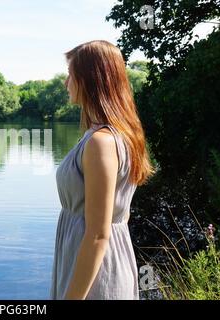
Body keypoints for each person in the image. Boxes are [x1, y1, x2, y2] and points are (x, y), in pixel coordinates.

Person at [50, 40, 156, 300]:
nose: (66, 83)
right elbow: (122, 215)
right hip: (97, 266)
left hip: (95, 279)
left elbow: (98, 234)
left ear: (89, 80)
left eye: (70, 75)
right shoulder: (113, 136)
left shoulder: (101, 142)